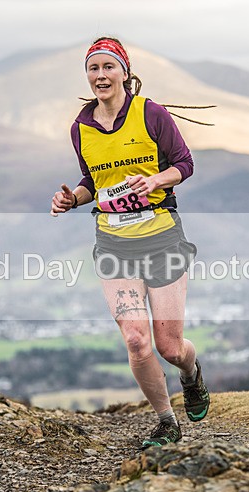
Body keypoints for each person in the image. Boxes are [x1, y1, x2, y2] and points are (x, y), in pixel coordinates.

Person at [50, 37, 210, 449]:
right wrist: (73, 199)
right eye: (93, 69)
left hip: (161, 237)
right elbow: (92, 182)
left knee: (170, 347)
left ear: (124, 71)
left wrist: (156, 179)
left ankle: (191, 376)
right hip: (113, 242)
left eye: (108, 67)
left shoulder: (150, 113)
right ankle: (166, 422)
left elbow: (184, 164)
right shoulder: (81, 127)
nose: (100, 76)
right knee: (137, 341)